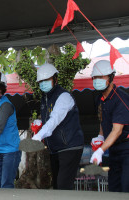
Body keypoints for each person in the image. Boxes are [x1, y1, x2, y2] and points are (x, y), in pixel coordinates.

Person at [32, 63, 84, 190]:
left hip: (70, 146)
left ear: (55, 79)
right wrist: (39, 126)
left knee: (63, 186)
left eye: (47, 80)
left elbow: (55, 119)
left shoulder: (63, 96)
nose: (43, 83)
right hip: (55, 148)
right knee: (57, 186)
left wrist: (39, 135)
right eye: (41, 81)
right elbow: (48, 121)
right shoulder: (45, 99)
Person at [89, 60, 129, 192]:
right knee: (114, 188)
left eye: (101, 77)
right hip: (113, 149)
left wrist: (101, 150)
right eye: (94, 77)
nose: (96, 80)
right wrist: (100, 136)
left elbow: (117, 131)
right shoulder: (98, 99)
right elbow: (103, 120)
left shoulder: (121, 99)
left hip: (126, 148)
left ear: (111, 77)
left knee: (125, 187)